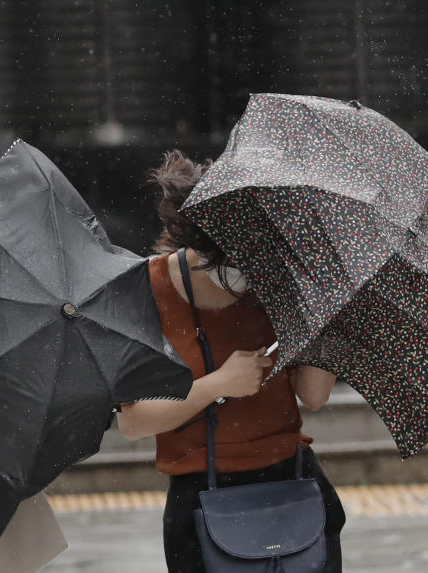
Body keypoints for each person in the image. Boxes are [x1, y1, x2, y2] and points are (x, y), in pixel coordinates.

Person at [116, 150, 346, 572]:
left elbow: (313, 396)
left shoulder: (280, 277)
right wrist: (217, 385)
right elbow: (133, 422)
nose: (245, 271)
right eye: (233, 259)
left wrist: (326, 308)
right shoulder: (148, 288)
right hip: (201, 501)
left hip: (292, 484)